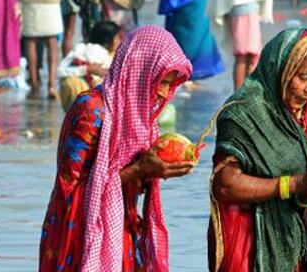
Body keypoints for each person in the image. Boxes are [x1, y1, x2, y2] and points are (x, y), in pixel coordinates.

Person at [39, 26, 196, 272]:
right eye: (161, 82)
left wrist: (156, 169)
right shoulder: (91, 110)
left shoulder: (141, 120)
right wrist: (139, 170)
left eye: (169, 84)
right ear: (140, 71)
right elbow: (71, 188)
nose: (165, 93)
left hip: (123, 234)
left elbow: (130, 183)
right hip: (81, 236)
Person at [209, 27, 307, 272]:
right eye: (304, 77)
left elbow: (302, 178)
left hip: (289, 238)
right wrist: (295, 185)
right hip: (246, 244)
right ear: (281, 70)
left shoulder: (304, 113)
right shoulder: (243, 113)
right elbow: (225, 185)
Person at [57, 21, 121, 111]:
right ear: (108, 40)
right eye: (117, 38)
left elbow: (60, 71)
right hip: (85, 99)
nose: (120, 41)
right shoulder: (86, 50)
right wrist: (88, 69)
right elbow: (61, 71)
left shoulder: (80, 47)